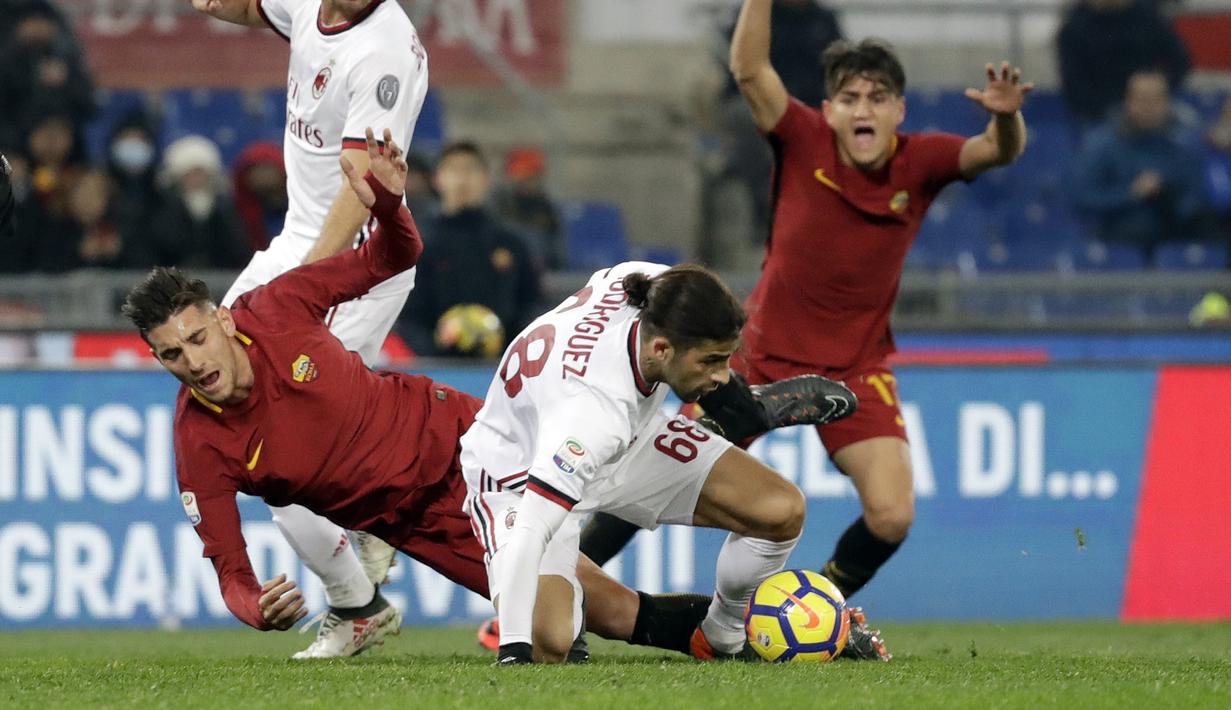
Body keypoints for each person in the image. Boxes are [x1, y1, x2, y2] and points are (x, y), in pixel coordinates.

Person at [122, 130, 850, 660]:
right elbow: (229, 570)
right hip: (430, 522)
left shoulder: (277, 307)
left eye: (196, 339)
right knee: (605, 617)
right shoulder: (201, 445)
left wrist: (388, 203)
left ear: (221, 316)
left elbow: (393, 256)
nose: (192, 363)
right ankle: (743, 640)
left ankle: (770, 596)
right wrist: (259, 609)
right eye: (170, 356)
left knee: (759, 507)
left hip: (472, 444)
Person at [581, 4, 1032, 614]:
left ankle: (817, 611)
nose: (863, 109)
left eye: (878, 97)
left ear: (899, 110)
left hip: (857, 366)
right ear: (828, 111)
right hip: (750, 360)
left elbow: (994, 152)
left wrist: (1007, 122)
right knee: (649, 484)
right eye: (849, 97)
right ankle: (541, 599)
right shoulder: (802, 138)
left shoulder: (920, 161)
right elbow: (748, 69)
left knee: (892, 514)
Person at [459, 258, 868, 664]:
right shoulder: (592, 410)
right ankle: (567, 587)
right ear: (661, 348)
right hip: (519, 474)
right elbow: (531, 529)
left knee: (780, 509)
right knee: (548, 644)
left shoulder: (651, 288)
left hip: (625, 438)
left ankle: (723, 636)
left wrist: (736, 404)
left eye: (727, 359)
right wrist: (513, 650)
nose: (722, 374)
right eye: (710, 362)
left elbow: (691, 297)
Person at [189, 0, 429, 657]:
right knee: (213, 403)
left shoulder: (384, 50)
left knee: (276, 440)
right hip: (292, 245)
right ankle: (373, 531)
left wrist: (306, 292)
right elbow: (254, 8)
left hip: (356, 259)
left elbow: (364, 182)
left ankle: (360, 601)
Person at [400, 141, 542, 357]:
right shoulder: (419, 243)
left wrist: (510, 352)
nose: (462, 178)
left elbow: (532, 304)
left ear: (485, 178)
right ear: (438, 179)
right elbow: (408, 314)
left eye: (470, 169)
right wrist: (433, 357)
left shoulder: (511, 243)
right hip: (437, 369)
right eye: (453, 169)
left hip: (501, 365)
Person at [1073, 69, 1207, 263]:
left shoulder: (1184, 143)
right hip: (1118, 233)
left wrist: (1165, 192)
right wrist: (1131, 193)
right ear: (1129, 100)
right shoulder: (1102, 144)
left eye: (1156, 99)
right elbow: (1083, 196)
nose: (1149, 106)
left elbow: (1195, 195)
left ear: (1167, 102)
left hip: (1175, 232)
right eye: (1142, 99)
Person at [1057, 0, 1190, 132]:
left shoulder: (1149, 18)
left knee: (1188, 126)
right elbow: (1073, 83)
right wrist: (1112, 110)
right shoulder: (1074, 28)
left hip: (1149, 103)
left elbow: (1180, 61)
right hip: (1098, 113)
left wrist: (1158, 89)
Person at [145, 135, 251, 269]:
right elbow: (159, 245)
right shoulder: (164, 210)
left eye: (200, 173)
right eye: (190, 174)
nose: (196, 180)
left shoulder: (226, 210)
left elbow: (237, 247)